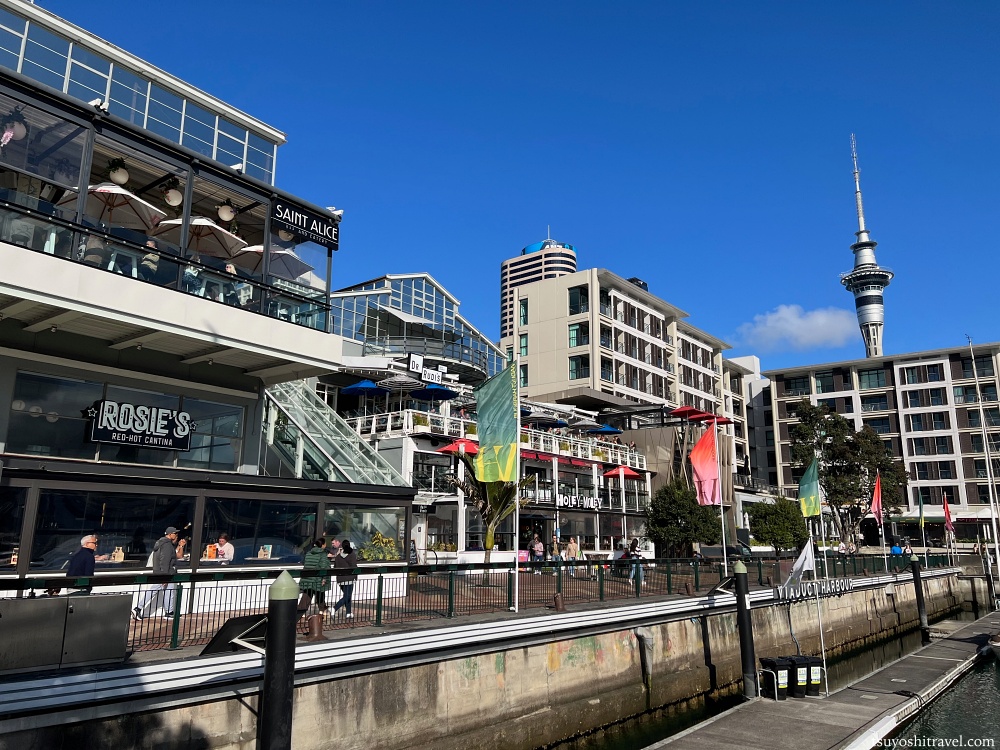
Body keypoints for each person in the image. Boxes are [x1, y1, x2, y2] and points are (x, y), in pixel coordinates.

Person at [133, 526, 185, 620]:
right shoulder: (167, 545)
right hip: (165, 573)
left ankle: (169, 612)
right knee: (156, 590)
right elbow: (164, 561)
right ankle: (138, 608)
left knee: (166, 591)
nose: (176, 535)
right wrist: (164, 576)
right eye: (175, 533)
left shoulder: (163, 543)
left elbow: (177, 555)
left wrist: (180, 546)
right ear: (170, 534)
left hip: (162, 572)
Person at [299, 538, 332, 614]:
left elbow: (305, 563)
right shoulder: (323, 554)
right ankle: (321, 610)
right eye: (325, 543)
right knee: (320, 593)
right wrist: (324, 578)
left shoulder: (309, 553)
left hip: (308, 576)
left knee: (307, 594)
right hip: (317, 577)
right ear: (323, 545)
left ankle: (301, 612)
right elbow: (323, 567)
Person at [332, 539, 357, 619]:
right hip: (349, 578)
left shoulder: (338, 557)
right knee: (347, 596)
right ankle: (334, 608)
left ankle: (348, 613)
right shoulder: (352, 555)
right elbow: (354, 566)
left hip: (340, 579)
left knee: (347, 596)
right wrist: (355, 576)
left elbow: (335, 567)